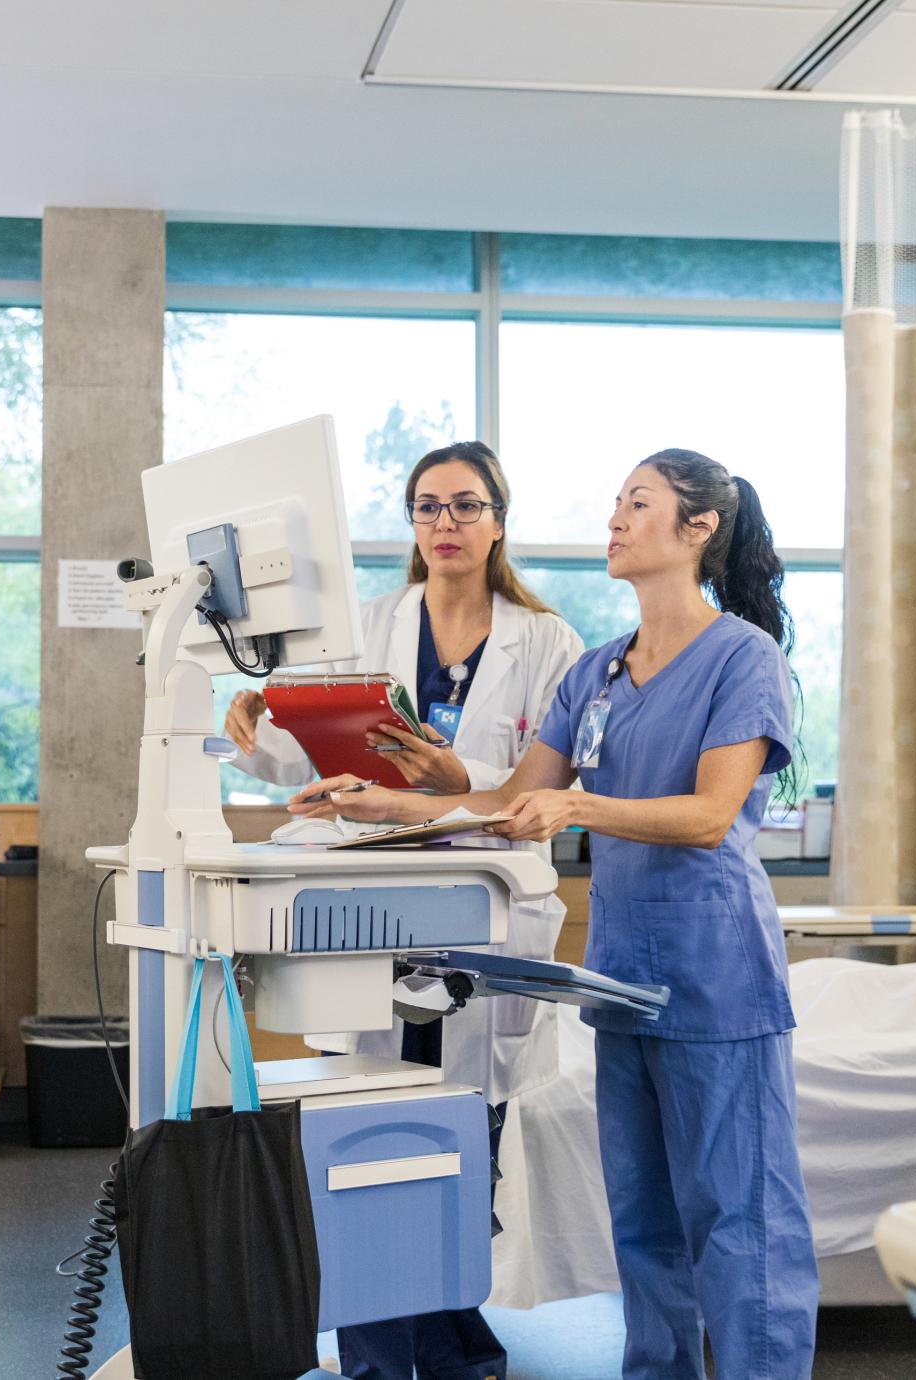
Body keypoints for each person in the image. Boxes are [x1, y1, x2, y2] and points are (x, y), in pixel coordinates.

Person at [290, 449, 819, 1379]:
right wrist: (383, 806)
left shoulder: (744, 656)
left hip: (714, 972)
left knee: (743, 1223)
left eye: (638, 504)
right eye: (615, 502)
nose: (614, 520)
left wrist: (579, 805)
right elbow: (505, 801)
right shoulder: (601, 673)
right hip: (619, 978)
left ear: (698, 530)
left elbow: (707, 817)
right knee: (646, 1224)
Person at [225, 440, 583, 1380]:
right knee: (370, 1126)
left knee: (466, 1129)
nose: (446, 525)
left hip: (488, 902)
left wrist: (459, 780)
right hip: (376, 897)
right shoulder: (374, 625)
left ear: (499, 521)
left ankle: (453, 1338)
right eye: (428, 508)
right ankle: (390, 1353)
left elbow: (552, 789)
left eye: (466, 507)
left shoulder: (547, 643)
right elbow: (309, 753)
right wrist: (255, 730)